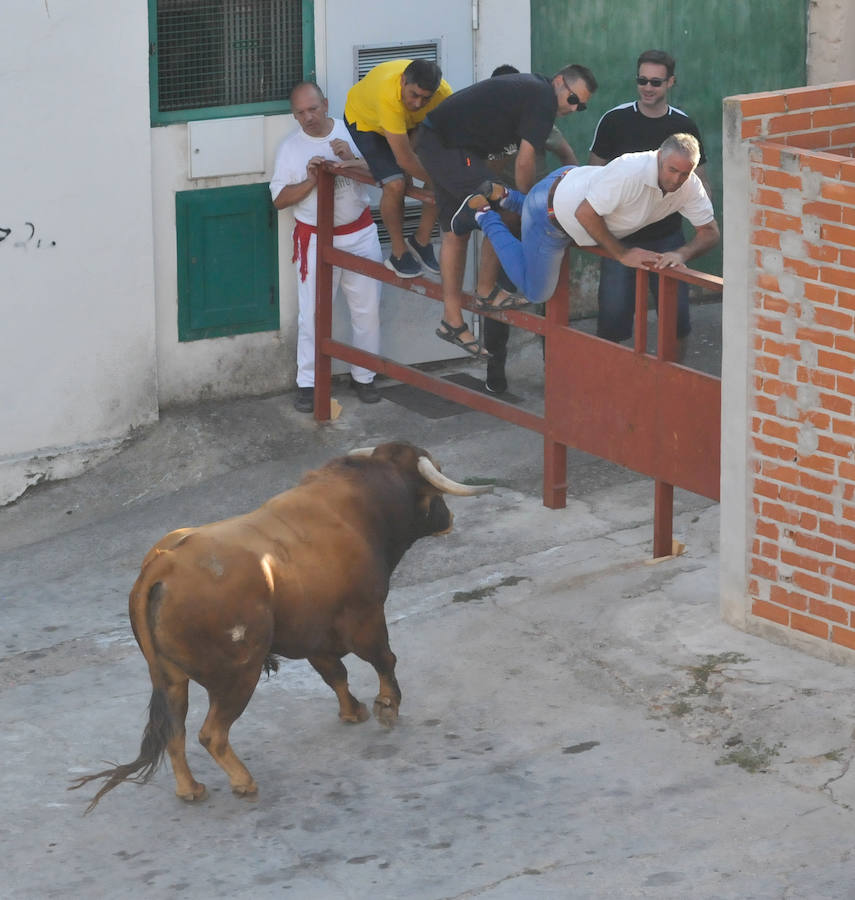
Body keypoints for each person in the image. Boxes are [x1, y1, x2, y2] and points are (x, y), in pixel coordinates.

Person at [415, 64, 597, 360]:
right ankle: (483, 290)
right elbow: (525, 162)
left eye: (582, 106)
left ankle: (455, 318)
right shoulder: (543, 98)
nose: (574, 108)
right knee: (501, 205)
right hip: (446, 146)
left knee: (455, 232)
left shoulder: (534, 94)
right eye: (573, 99)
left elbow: (508, 157)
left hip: (455, 149)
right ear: (560, 81)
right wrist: (528, 206)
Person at [449, 134, 719, 321]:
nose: (678, 179)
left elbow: (710, 232)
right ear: (659, 157)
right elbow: (585, 214)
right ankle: (484, 215)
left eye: (686, 172)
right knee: (536, 291)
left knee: (538, 207)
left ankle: (505, 196)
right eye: (672, 170)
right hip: (551, 217)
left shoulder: (689, 186)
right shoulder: (631, 170)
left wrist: (681, 254)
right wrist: (623, 254)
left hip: (566, 185)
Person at [589, 49, 713, 357]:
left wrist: (692, 225)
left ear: (671, 82)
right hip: (620, 238)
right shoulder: (614, 119)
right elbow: (593, 176)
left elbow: (702, 182)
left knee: (677, 322)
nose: (647, 87)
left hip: (667, 236)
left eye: (656, 82)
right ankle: (612, 387)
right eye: (641, 80)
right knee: (612, 323)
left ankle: (674, 385)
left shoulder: (684, 127)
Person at [270, 82, 383, 413]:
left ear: (326, 104)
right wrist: (310, 182)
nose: (308, 117)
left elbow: (384, 177)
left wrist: (352, 160)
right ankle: (309, 383)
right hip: (316, 239)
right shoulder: (290, 148)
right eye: (301, 113)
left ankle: (365, 377)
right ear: (294, 115)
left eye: (313, 109)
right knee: (313, 314)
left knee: (367, 309)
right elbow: (278, 200)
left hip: (359, 235)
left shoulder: (353, 134)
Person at [481, 64, 581, 393]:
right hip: (507, 221)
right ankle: (494, 374)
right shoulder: (487, 126)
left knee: (547, 299)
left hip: (537, 220)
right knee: (499, 294)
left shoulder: (536, 121)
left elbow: (567, 155)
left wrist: (571, 190)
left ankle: (555, 375)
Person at [344, 59, 452, 278]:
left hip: (411, 124)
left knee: (441, 168)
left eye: (425, 98)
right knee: (395, 183)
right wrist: (445, 180)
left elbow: (448, 139)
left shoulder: (444, 95)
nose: (418, 103)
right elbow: (404, 159)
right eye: (414, 95)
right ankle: (398, 252)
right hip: (367, 123)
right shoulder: (388, 95)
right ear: (403, 81)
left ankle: (421, 240)